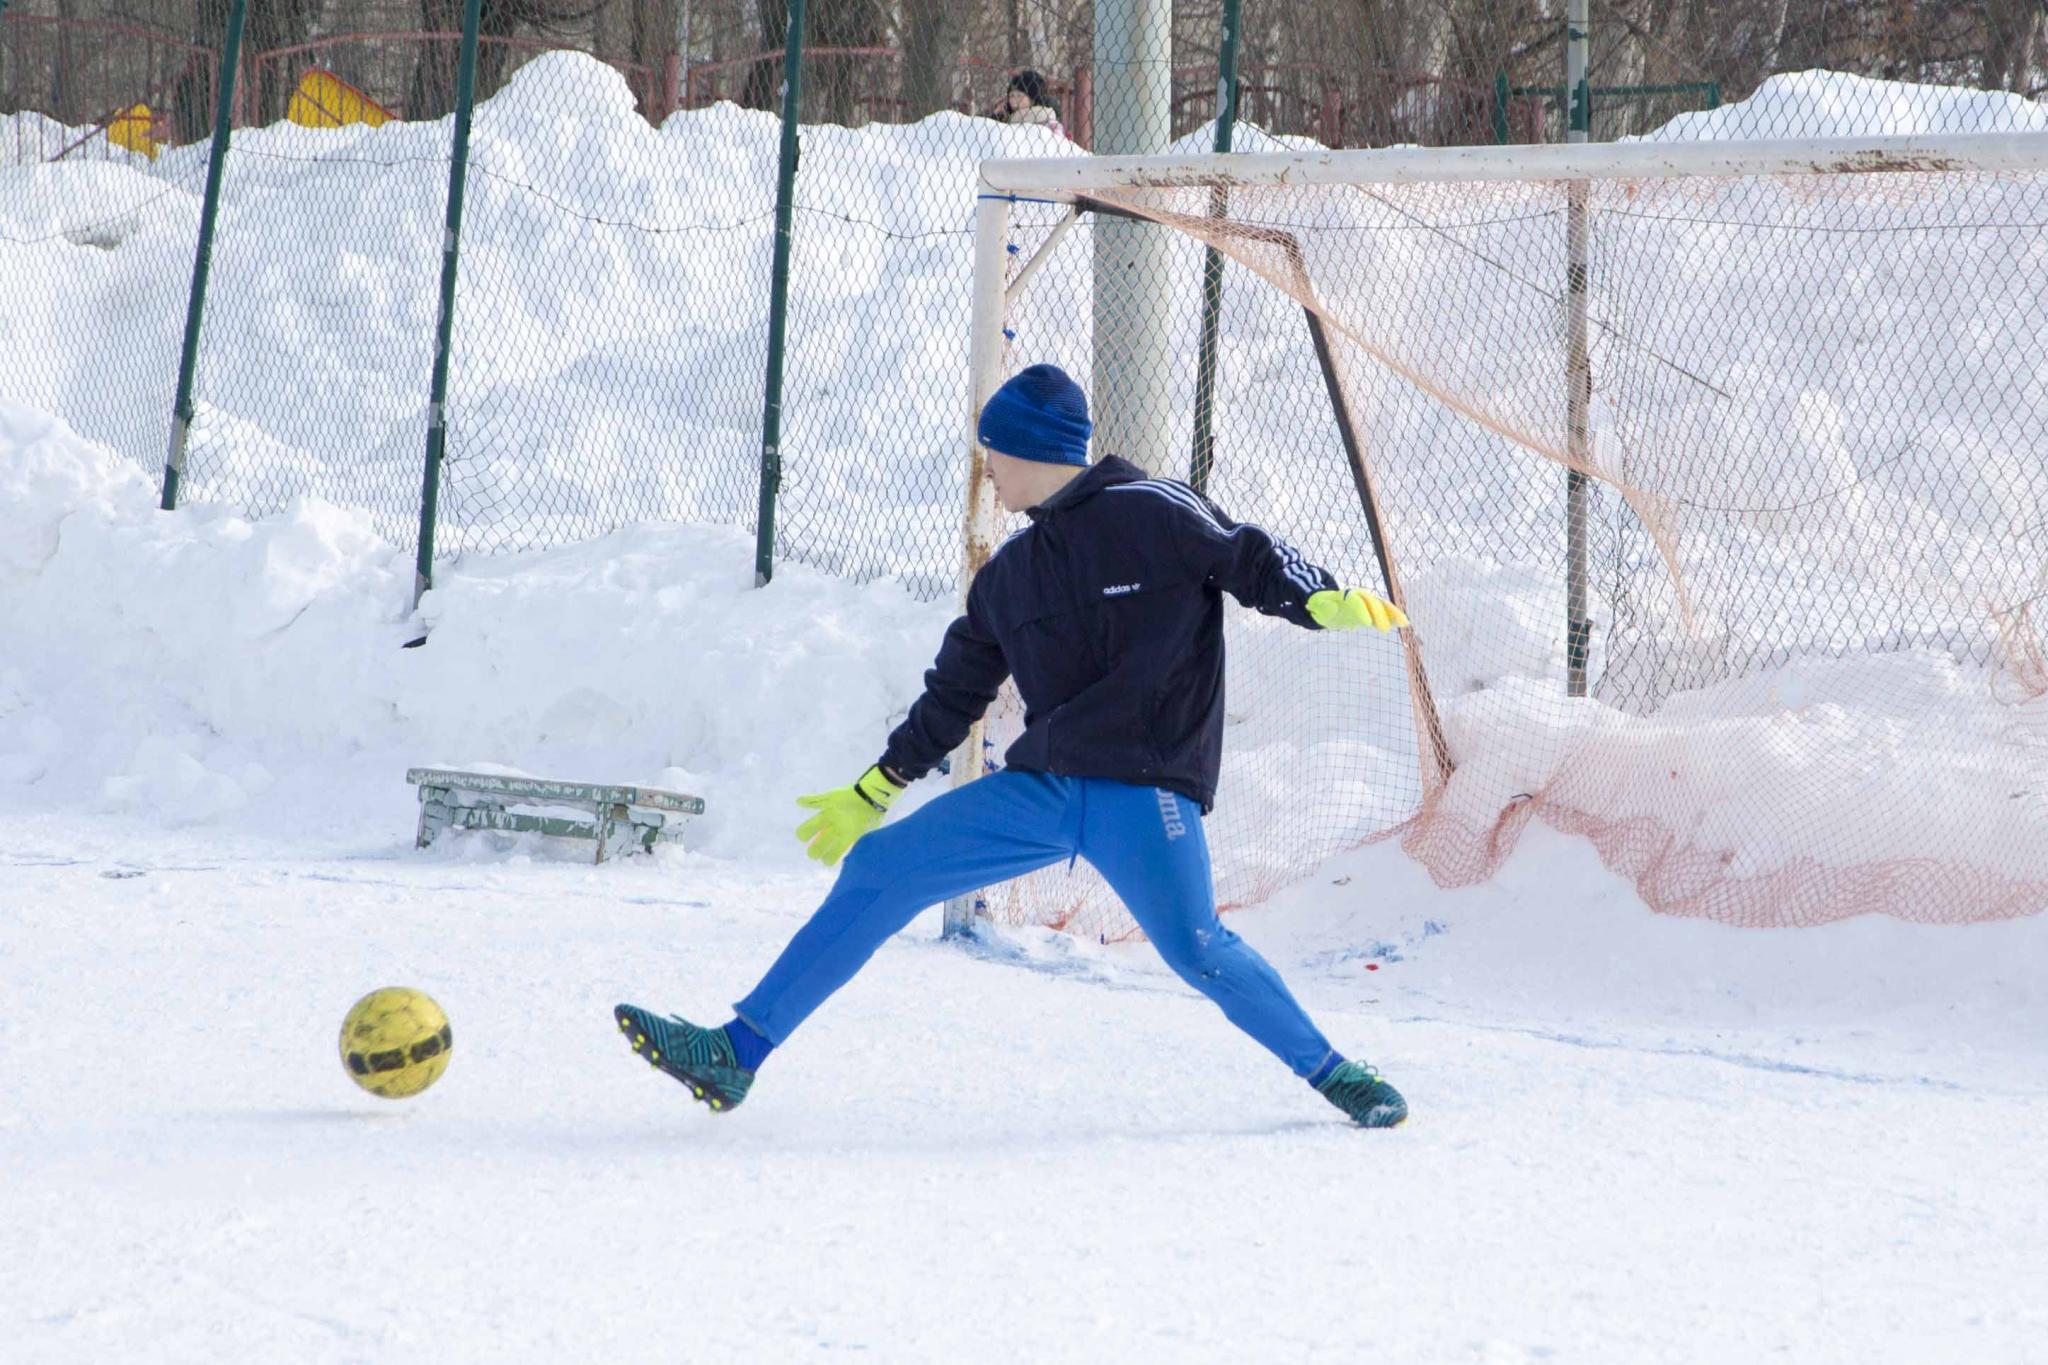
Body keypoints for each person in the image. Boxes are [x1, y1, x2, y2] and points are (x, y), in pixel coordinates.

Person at [616, 364, 1412, 1128]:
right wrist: (877, 786)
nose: (984, 468)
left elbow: (1248, 554)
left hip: (1145, 792)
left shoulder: (1154, 508)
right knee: (879, 868)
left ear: (1027, 447)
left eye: (990, 451)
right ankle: (738, 1052)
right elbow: (955, 691)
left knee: (1199, 947)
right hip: (1044, 791)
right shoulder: (1009, 574)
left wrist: (1316, 597)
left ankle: (1334, 1070)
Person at [991, 68, 1065, 137]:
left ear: (1033, 99)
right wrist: (996, 116)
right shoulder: (1009, 118)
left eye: (1019, 96)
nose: (1013, 100)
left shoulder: (1045, 120)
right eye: (1011, 95)